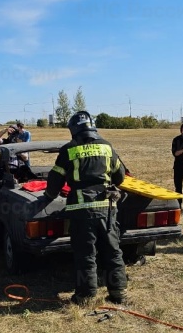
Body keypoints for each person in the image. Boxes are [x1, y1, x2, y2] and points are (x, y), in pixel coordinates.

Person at [43, 110, 127, 305]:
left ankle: (85, 296)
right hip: (107, 209)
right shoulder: (107, 147)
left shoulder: (68, 150)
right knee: (113, 251)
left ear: (73, 130)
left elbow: (55, 181)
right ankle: (119, 294)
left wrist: (48, 197)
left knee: (85, 254)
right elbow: (120, 177)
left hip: (82, 211)